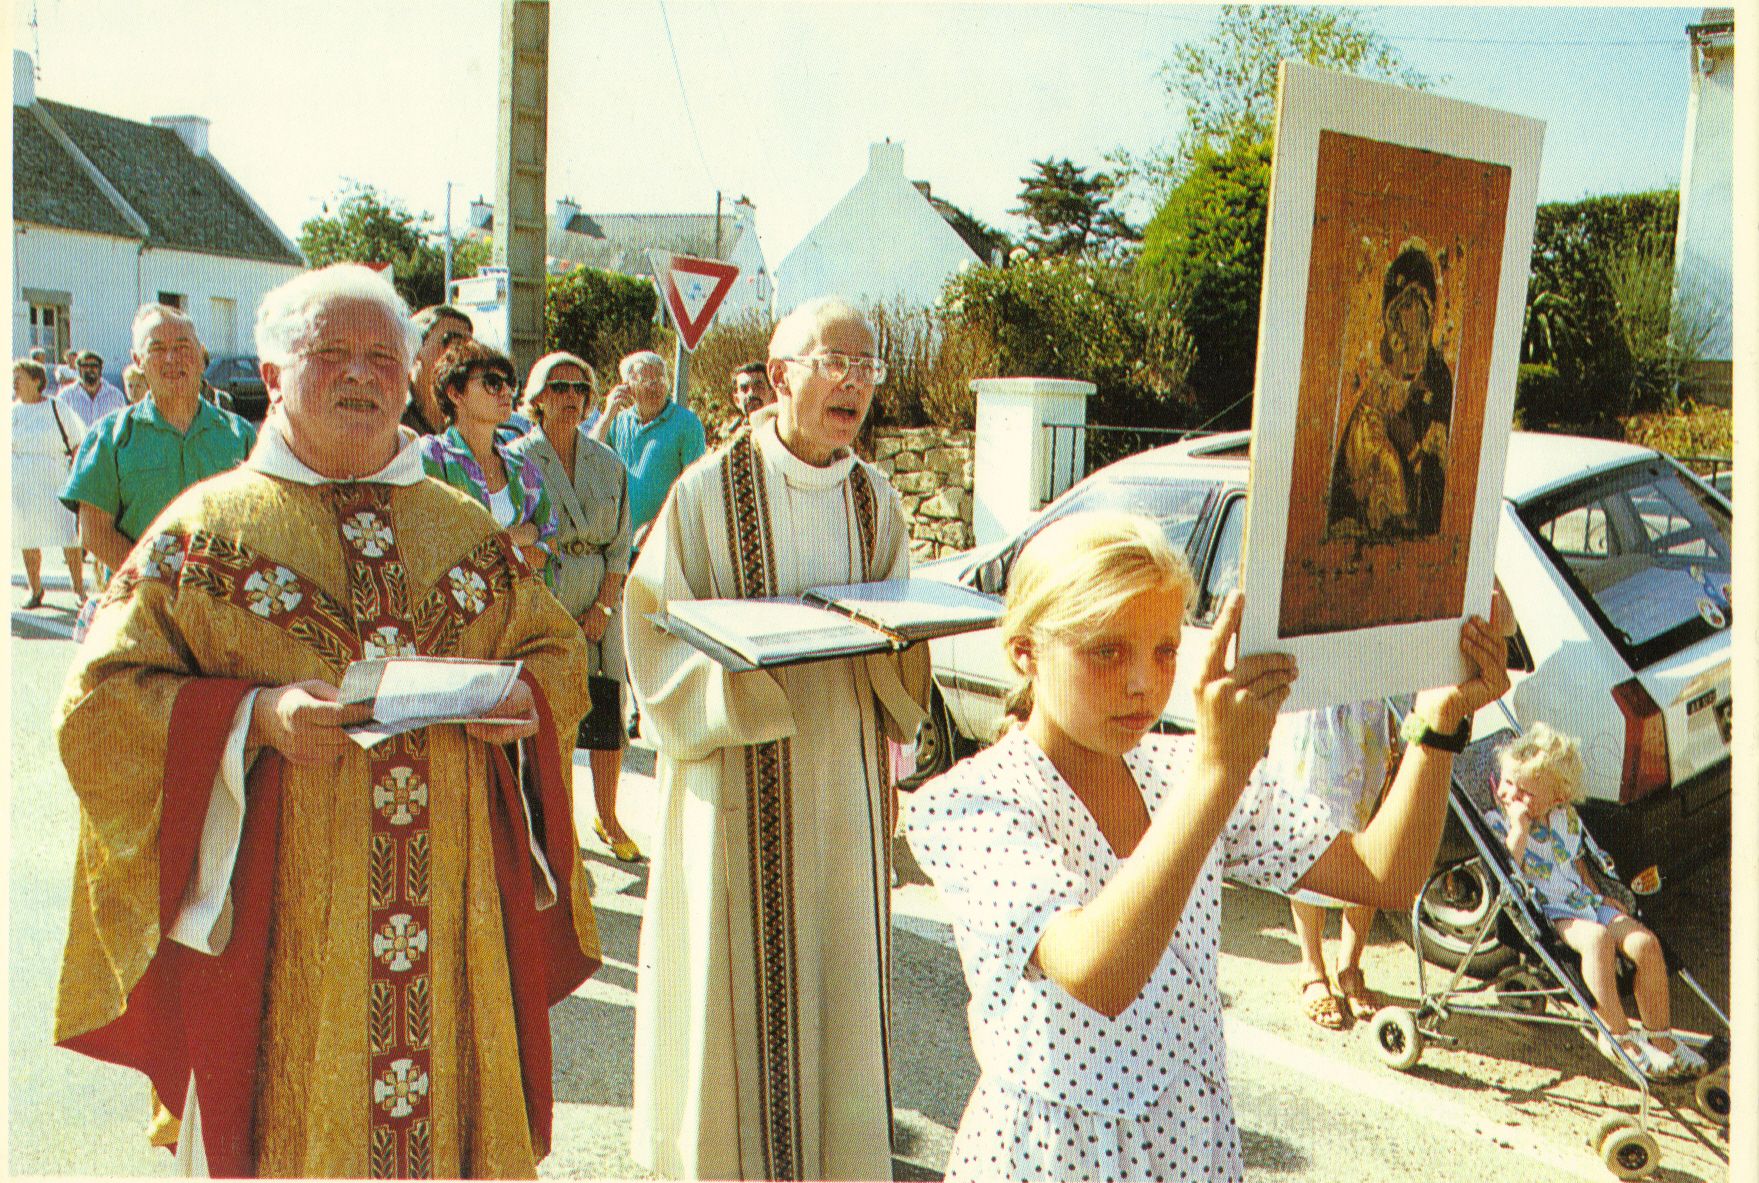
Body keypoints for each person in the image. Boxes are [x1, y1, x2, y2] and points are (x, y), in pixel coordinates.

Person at [51, 263, 600, 1177]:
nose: (360, 375)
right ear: (271, 377)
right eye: (330, 354)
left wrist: (524, 699)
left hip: (449, 917)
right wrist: (252, 717)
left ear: (413, 378)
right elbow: (99, 703)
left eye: (382, 356)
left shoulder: (461, 526)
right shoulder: (201, 534)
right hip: (282, 925)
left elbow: (556, 651)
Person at [903, 511, 1510, 1182]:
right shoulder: (972, 799)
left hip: (1189, 1144)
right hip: (1052, 1157)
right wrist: (1216, 776)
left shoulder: (1180, 767)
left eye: (1164, 650)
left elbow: (1382, 875)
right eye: (1106, 650)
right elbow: (1097, 974)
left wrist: (1438, 721)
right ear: (1025, 651)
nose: (1142, 681)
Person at [624, 297, 930, 1180]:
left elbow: (900, 630)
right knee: (733, 978)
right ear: (782, 371)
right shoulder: (708, 492)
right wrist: (741, 682)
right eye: (836, 361)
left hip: (839, 770)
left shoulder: (876, 498)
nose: (856, 384)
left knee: (838, 965)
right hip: (736, 765)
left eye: (868, 368)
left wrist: (905, 647)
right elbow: (650, 629)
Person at [1489, 724, 1708, 1081]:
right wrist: (1519, 829)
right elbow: (1506, 869)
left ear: (1557, 798)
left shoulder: (1565, 818)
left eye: (1526, 791)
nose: (1511, 794)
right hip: (1548, 910)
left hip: (1585, 899)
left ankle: (1661, 1038)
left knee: (1645, 943)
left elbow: (1577, 862)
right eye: (1507, 782)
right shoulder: (1500, 822)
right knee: (1596, 940)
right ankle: (1617, 1033)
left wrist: (1601, 894)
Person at [508, 352, 640, 861]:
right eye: (558, 387)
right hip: (546, 599)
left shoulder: (608, 464)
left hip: (603, 603)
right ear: (537, 397)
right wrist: (558, 618)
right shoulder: (516, 459)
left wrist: (603, 610)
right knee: (553, 717)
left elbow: (620, 542)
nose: (569, 397)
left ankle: (607, 817)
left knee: (606, 712)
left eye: (579, 388)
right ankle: (556, 826)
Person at [60, 305, 256, 576]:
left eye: (183, 346)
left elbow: (261, 527)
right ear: (138, 361)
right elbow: (94, 532)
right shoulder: (109, 438)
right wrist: (157, 580)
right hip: (141, 602)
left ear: (201, 356)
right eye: (157, 348)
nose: (172, 358)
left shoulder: (241, 436)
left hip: (220, 606)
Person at [1268, 700, 1398, 1029]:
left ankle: (1350, 966)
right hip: (1315, 703)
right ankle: (1312, 970)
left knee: (1372, 828)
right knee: (1308, 829)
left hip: (1373, 701)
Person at [1327, 239, 1454, 541]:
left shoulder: (1438, 383)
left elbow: (1435, 488)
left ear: (1427, 317)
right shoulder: (1382, 384)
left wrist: (1410, 448)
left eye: (1412, 310)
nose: (1401, 332)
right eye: (1397, 315)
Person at [418, 340, 557, 574]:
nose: (506, 391)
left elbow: (550, 546)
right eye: (492, 382)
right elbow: (429, 544)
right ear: (455, 393)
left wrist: (497, 546)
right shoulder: (431, 457)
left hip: (517, 607)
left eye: (510, 383)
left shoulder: (521, 466)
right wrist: (520, 535)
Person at [589, 350, 706, 546]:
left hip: (664, 539)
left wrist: (656, 526)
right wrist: (608, 413)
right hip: (619, 541)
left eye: (661, 380)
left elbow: (693, 486)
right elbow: (588, 456)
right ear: (628, 387)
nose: (657, 388)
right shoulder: (618, 422)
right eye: (648, 382)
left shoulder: (687, 423)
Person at [12, 359, 89, 609]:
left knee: (68, 536)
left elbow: (78, 441)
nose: (14, 382)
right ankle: (35, 589)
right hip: (22, 483)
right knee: (28, 538)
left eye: (19, 377)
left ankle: (79, 590)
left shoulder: (57, 407)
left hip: (55, 479)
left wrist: (77, 478)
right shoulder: (11, 412)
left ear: (37, 381)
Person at [404, 304, 474, 436]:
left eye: (469, 347)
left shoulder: (470, 424)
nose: (463, 356)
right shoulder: (390, 417)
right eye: (453, 343)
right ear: (415, 348)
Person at [59, 349, 128, 425]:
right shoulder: (66, 396)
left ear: (101, 369)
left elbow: (122, 425)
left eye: (94, 366)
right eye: (85, 366)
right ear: (79, 369)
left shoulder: (115, 396)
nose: (89, 369)